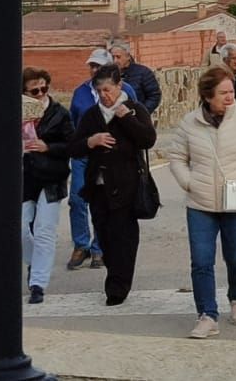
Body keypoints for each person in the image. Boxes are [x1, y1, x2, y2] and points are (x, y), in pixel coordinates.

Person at [164, 65, 236, 339]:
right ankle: (207, 315)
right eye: (223, 92)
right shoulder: (190, 123)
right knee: (201, 261)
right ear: (207, 95)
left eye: (231, 91)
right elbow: (176, 157)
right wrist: (189, 182)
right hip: (200, 204)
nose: (229, 96)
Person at [68, 64, 157, 306]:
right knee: (105, 236)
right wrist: (90, 141)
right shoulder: (92, 115)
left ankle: (118, 287)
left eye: (108, 89)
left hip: (127, 185)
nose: (104, 95)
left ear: (119, 86)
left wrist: (126, 118)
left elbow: (148, 139)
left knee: (124, 237)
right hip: (98, 186)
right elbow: (73, 147)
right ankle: (114, 273)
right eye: (99, 91)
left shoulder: (134, 109)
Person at [67, 48, 137, 271]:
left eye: (98, 66)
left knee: (103, 201)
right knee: (77, 199)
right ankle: (81, 245)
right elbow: (73, 123)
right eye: (92, 66)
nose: (94, 69)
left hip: (110, 159)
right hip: (85, 155)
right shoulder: (80, 92)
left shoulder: (127, 91)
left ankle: (99, 248)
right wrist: (87, 141)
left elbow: (137, 119)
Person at [21, 67, 73, 304]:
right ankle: (34, 261)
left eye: (44, 88)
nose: (40, 93)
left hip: (52, 176)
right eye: (34, 90)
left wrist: (48, 147)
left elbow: (72, 145)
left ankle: (38, 284)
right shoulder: (17, 113)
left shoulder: (59, 113)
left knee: (44, 230)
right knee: (19, 228)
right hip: (24, 176)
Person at [111, 42, 162, 115]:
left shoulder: (143, 73)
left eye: (118, 57)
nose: (115, 61)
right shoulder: (109, 74)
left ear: (128, 56)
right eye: (113, 57)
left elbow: (154, 96)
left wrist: (141, 113)